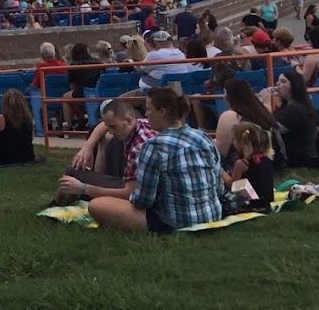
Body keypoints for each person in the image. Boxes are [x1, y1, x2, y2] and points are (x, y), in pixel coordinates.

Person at [87, 87, 222, 233]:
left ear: (162, 112)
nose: (146, 114)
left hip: (174, 221)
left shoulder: (153, 146)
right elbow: (219, 187)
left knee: (97, 205)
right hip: (212, 214)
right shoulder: (203, 137)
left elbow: (143, 201)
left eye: (149, 109)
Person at [55, 98, 155, 205]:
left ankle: (55, 206)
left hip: (142, 198)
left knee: (74, 175)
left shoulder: (138, 148)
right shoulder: (142, 124)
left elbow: (130, 194)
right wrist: (87, 148)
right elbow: (105, 124)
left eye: (113, 127)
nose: (110, 131)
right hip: (143, 190)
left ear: (129, 121)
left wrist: (84, 188)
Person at [213, 77, 278, 162]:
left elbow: (221, 152)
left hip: (242, 163)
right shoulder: (261, 112)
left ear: (230, 96)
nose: (223, 96)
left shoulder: (229, 116)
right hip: (269, 160)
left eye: (224, 92)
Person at [272, 70, 319, 169]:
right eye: (278, 81)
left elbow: (273, 129)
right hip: (305, 156)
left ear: (293, 86)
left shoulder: (295, 109)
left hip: (299, 159)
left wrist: (266, 106)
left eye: (283, 81)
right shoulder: (298, 106)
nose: (277, 84)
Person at [224, 121, 275, 209]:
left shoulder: (242, 163)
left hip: (252, 204)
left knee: (223, 197)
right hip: (266, 202)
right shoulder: (266, 158)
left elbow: (232, 184)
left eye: (234, 139)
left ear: (241, 143)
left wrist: (221, 172)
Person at [0, 89, 35, 165]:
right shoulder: (28, 119)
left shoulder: (2, 119)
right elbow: (31, 137)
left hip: (5, 157)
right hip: (27, 156)